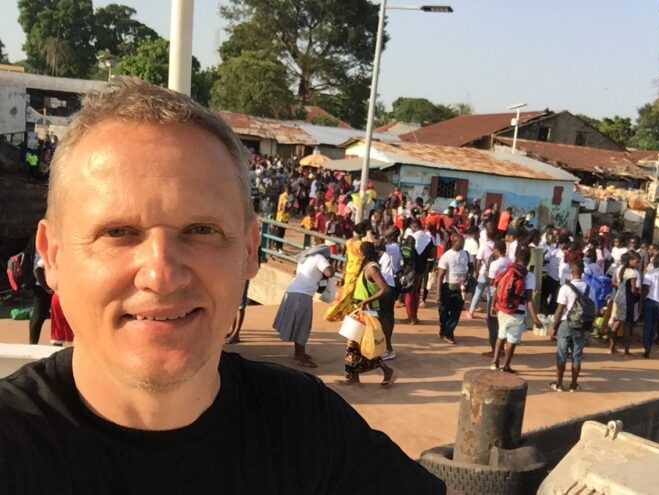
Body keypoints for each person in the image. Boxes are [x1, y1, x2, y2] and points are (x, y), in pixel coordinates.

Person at [0, 79, 448, 494]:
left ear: (250, 250)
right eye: (118, 232)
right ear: (52, 255)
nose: (161, 274)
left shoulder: (307, 427)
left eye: (201, 230)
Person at [341, 241, 396, 387]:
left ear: (362, 253)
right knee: (354, 346)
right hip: (361, 311)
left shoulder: (371, 268)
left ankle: (387, 371)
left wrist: (366, 301)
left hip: (368, 311)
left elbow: (384, 288)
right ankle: (352, 377)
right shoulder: (368, 267)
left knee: (362, 345)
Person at [490, 247, 542, 373]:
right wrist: (535, 319)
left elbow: (497, 289)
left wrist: (493, 305)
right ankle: (506, 366)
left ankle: (494, 362)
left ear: (516, 258)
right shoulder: (529, 276)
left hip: (502, 308)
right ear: (528, 260)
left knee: (500, 335)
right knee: (512, 340)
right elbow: (528, 300)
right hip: (517, 311)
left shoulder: (507, 270)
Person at [548, 262, 589, 392]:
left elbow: (560, 310)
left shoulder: (565, 288)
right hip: (580, 325)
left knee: (562, 354)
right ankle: (573, 384)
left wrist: (554, 326)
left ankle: (559, 384)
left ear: (571, 271)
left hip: (566, 323)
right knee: (577, 356)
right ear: (582, 272)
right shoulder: (587, 287)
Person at [608, 252, 641, 356]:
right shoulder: (633, 273)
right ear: (630, 260)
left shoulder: (619, 269)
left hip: (619, 297)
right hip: (628, 300)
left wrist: (621, 288)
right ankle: (626, 350)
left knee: (617, 322)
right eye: (636, 262)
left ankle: (611, 347)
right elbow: (633, 289)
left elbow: (614, 281)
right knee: (627, 325)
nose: (638, 264)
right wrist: (638, 295)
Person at [375, 239, 397, 360]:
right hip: (387, 286)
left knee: (384, 317)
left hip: (387, 287)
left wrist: (385, 235)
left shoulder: (393, 248)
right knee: (387, 316)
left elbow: (378, 244)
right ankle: (387, 347)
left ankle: (388, 349)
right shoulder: (389, 250)